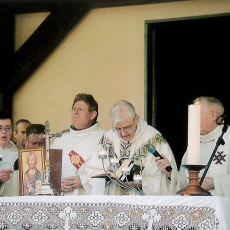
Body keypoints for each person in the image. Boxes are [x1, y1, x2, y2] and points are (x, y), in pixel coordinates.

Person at [98, 100, 178, 195]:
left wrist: (139, 183)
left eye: (127, 127)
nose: (123, 133)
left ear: (136, 119)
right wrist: (106, 175)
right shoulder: (108, 139)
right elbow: (93, 173)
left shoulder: (154, 139)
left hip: (143, 203)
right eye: (118, 129)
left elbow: (168, 179)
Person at [158, 96, 230, 196]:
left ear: (213, 115)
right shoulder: (194, 142)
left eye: (196, 115)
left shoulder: (228, 138)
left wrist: (214, 182)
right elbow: (186, 180)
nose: (192, 120)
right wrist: (170, 173)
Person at [51, 93, 106, 195]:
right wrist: (56, 183)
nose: (75, 112)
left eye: (80, 109)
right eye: (73, 109)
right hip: (61, 200)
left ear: (92, 115)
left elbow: (110, 172)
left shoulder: (105, 138)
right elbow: (49, 170)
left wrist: (84, 181)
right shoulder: (60, 139)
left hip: (88, 199)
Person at [0, 111, 19, 196]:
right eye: (0, 128)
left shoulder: (18, 153)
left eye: (8, 128)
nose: (4, 132)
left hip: (13, 200)